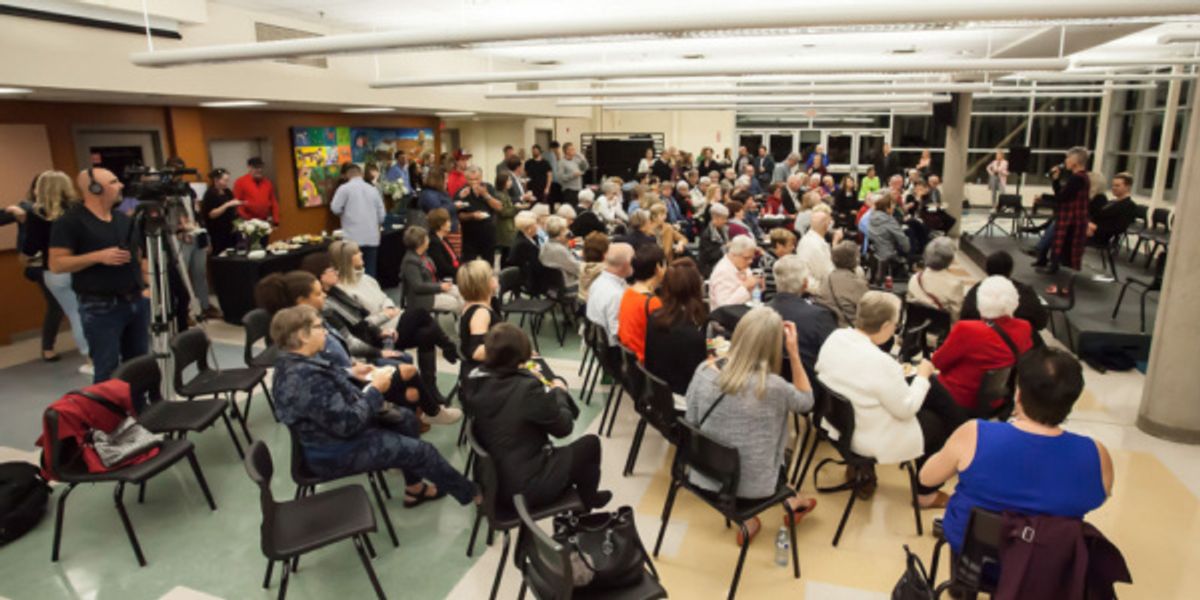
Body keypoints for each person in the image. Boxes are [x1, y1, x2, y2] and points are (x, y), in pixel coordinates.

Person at [270, 305, 476, 506]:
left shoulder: (298, 362)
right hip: (335, 451)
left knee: (406, 418)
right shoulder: (305, 378)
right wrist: (376, 390)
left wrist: (350, 373)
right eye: (319, 326)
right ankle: (475, 496)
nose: (325, 331)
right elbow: (348, 423)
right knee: (423, 451)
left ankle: (414, 488)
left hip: (334, 434)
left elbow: (331, 392)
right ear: (303, 335)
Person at [919, 346, 1113, 555]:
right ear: (1071, 402)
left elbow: (927, 478)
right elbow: (1097, 499)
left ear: (1018, 394)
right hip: (1048, 561)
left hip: (975, 556)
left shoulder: (975, 433)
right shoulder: (1096, 454)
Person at [816, 292, 966, 508]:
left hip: (835, 422)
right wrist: (923, 376)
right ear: (886, 325)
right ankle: (927, 493)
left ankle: (963, 432)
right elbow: (906, 410)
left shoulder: (836, 337)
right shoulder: (880, 363)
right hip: (865, 435)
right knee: (936, 421)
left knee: (930, 390)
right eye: (895, 324)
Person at [256, 271, 461, 426]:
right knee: (410, 382)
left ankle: (426, 411)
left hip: (354, 370)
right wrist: (369, 362)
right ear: (302, 301)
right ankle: (427, 412)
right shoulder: (309, 331)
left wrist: (354, 366)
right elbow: (337, 359)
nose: (324, 296)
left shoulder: (320, 317)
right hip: (350, 384)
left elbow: (344, 347)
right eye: (319, 293)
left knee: (419, 342)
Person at [686, 307, 816, 544]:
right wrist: (794, 354)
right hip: (753, 489)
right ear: (773, 346)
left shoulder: (703, 371)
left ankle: (748, 520)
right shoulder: (773, 387)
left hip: (705, 475)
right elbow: (806, 402)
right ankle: (794, 502)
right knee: (781, 452)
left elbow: (692, 421)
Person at [463, 323, 611, 510]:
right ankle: (587, 504)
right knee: (590, 445)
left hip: (492, 484)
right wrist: (559, 392)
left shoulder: (474, 381)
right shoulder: (526, 389)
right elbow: (564, 428)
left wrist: (523, 375)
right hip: (524, 488)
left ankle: (584, 501)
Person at [49, 168, 148, 383]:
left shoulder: (123, 219)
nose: (120, 185)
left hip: (135, 300)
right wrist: (97, 256)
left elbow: (138, 255)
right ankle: (108, 415)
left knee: (139, 364)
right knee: (107, 367)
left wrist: (147, 285)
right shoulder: (71, 221)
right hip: (100, 307)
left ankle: (139, 409)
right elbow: (56, 264)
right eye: (113, 182)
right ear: (94, 188)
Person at [19, 171, 91, 371]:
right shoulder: (79, 209)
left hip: (54, 271)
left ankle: (90, 359)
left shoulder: (36, 214)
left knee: (75, 314)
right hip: (80, 265)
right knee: (91, 311)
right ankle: (104, 354)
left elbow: (30, 246)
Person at [931, 276, 1034, 416]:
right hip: (994, 400)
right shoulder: (1024, 327)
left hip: (956, 399)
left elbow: (938, 362)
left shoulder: (967, 329)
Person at [644, 258, 709, 400]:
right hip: (680, 399)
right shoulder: (690, 336)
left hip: (657, 394)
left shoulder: (655, 317)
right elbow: (699, 381)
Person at [768, 255, 837, 377]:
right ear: (805, 284)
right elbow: (833, 358)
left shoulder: (760, 312)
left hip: (768, 382)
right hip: (810, 386)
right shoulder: (819, 316)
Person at [961, 251, 1049, 335]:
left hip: (982, 343)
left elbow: (965, 318)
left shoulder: (976, 290)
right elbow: (1041, 322)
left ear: (987, 269)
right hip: (1019, 345)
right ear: (1010, 270)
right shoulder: (1025, 292)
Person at [1043, 147, 1092, 278]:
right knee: (1064, 247)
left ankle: (1063, 275)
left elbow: (1061, 198)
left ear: (1075, 161)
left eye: (1068, 158)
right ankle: (1056, 268)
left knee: (1066, 247)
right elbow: (1062, 195)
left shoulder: (1078, 178)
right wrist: (1056, 180)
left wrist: (1045, 195)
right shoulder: (1079, 177)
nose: (1066, 161)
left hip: (1073, 219)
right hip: (1072, 217)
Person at [331, 163, 386, 277]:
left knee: (353, 272)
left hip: (352, 238)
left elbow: (335, 208)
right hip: (372, 237)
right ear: (361, 174)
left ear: (346, 175)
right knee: (370, 272)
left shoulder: (344, 189)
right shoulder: (372, 189)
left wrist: (345, 213)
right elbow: (382, 215)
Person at [617, 244, 666, 362]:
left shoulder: (628, 292)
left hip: (632, 362)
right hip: (645, 362)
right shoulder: (652, 303)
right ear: (658, 268)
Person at [401, 226, 464, 314]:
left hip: (433, 290)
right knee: (454, 302)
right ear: (420, 242)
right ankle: (465, 323)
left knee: (461, 292)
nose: (429, 240)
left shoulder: (424, 255)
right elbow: (418, 286)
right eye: (426, 238)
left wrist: (441, 285)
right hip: (423, 298)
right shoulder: (410, 262)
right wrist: (439, 287)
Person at [585, 242, 634, 347]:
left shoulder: (598, 280)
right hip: (613, 350)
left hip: (595, 339)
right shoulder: (616, 295)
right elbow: (617, 334)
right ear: (626, 264)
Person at [908, 237, 968, 320]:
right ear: (950, 260)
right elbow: (956, 315)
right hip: (941, 330)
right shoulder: (955, 284)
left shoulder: (915, 278)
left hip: (915, 326)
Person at [816, 241, 870, 327]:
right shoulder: (857, 284)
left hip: (828, 326)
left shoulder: (826, 278)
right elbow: (869, 311)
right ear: (856, 259)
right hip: (849, 328)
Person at [456, 165, 502, 263]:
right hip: (469, 235)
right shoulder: (462, 192)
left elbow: (499, 207)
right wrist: (472, 215)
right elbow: (459, 215)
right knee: (469, 265)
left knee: (488, 264)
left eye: (476, 179)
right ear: (466, 178)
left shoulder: (488, 188)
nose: (474, 182)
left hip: (488, 233)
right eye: (470, 180)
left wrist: (485, 195)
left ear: (481, 177)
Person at [708, 235, 760, 310]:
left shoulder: (742, 265)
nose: (750, 261)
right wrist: (745, 286)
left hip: (745, 313)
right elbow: (724, 307)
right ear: (733, 254)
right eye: (747, 258)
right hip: (727, 319)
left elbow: (751, 295)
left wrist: (757, 287)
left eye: (752, 258)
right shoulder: (722, 271)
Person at [1088, 171, 1138, 248]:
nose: (1113, 188)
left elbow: (1118, 228)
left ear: (1127, 187)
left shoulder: (1129, 205)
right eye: (1113, 185)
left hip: (1101, 236)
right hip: (1090, 229)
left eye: (1117, 186)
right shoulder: (1112, 202)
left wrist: (1095, 228)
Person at [796, 210, 842, 293]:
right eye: (830, 221)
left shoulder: (809, 239)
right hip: (817, 290)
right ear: (826, 225)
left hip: (812, 285)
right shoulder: (815, 244)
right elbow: (828, 273)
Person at [200, 168, 241, 255]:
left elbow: (233, 208)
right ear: (216, 180)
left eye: (227, 180)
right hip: (217, 232)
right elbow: (211, 214)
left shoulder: (228, 192)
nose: (227, 183)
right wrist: (226, 205)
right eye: (224, 180)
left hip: (230, 230)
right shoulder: (210, 194)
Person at [867, 192, 911, 268]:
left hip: (874, 252)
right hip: (888, 254)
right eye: (892, 205)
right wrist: (908, 249)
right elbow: (903, 240)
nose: (894, 207)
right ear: (886, 208)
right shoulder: (889, 220)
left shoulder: (871, 217)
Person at [538, 215, 581, 291]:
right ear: (558, 235)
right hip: (569, 285)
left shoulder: (545, 245)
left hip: (552, 286)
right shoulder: (559, 250)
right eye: (565, 229)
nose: (568, 232)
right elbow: (578, 269)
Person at [233, 157, 280, 224]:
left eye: (261, 167)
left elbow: (273, 201)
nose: (259, 170)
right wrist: (247, 218)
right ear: (249, 167)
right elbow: (237, 203)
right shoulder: (240, 182)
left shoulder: (267, 183)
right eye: (256, 167)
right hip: (248, 223)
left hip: (264, 221)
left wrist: (276, 219)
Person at [759, 228, 796, 302]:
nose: (793, 248)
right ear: (779, 246)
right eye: (790, 245)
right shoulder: (770, 263)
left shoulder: (778, 259)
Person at [425, 208, 461, 281]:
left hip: (454, 273)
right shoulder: (433, 242)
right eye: (448, 221)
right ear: (441, 225)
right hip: (445, 279)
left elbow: (454, 258)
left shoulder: (443, 238)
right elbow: (442, 267)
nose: (450, 223)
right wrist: (462, 271)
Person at [418, 169, 459, 234]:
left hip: (449, 229)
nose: (447, 181)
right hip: (440, 232)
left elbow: (447, 204)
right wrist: (454, 206)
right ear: (438, 180)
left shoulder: (440, 191)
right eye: (445, 179)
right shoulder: (429, 194)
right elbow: (437, 213)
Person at [492, 171, 521, 260]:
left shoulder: (505, 194)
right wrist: (516, 208)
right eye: (508, 180)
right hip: (505, 228)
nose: (510, 182)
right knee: (506, 253)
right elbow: (504, 212)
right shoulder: (500, 196)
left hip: (508, 226)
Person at [697, 202, 730, 277]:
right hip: (710, 268)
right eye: (723, 219)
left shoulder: (724, 230)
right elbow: (711, 256)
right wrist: (726, 247)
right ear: (715, 218)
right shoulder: (707, 235)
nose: (725, 221)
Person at [577, 232, 609, 303]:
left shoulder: (581, 266)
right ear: (605, 252)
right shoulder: (606, 272)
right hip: (598, 306)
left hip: (584, 302)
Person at [556, 142, 588, 208]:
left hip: (578, 189)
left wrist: (583, 158)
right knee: (571, 211)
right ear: (567, 151)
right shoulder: (562, 162)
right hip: (569, 191)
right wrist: (573, 175)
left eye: (574, 149)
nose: (574, 151)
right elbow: (560, 178)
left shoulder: (576, 160)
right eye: (572, 149)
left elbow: (585, 168)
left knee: (578, 210)